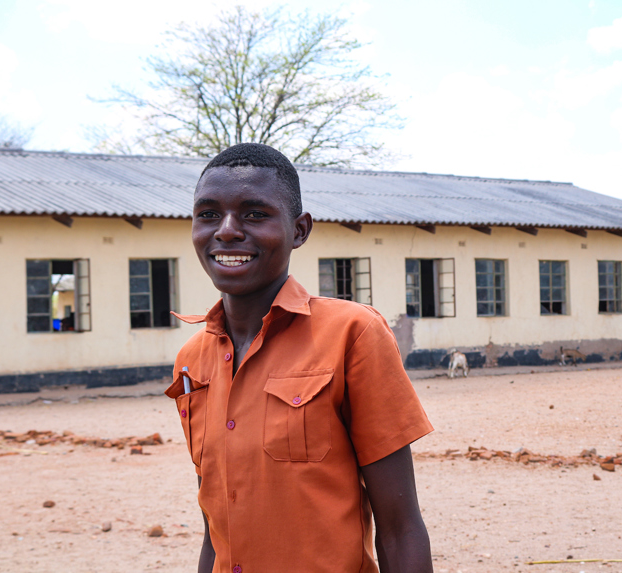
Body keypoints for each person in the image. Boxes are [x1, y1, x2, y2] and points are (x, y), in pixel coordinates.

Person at [164, 143, 434, 573]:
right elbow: (216, 532)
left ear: (300, 230)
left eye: (255, 214)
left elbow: (400, 527)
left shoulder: (352, 334)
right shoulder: (191, 362)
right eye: (208, 214)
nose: (227, 230)